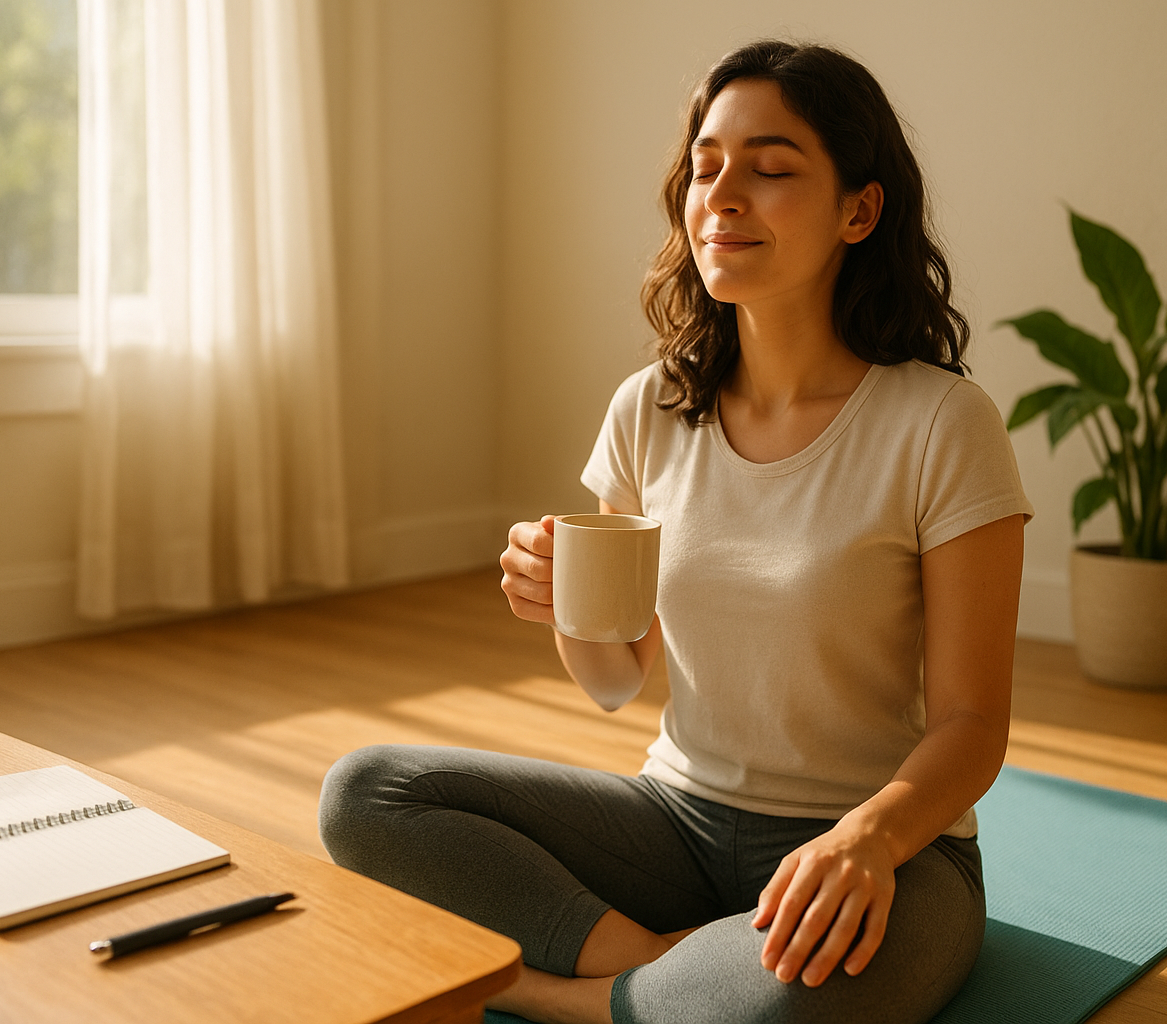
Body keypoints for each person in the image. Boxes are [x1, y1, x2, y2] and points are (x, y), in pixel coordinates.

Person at [319, 39, 1032, 1024]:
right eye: (704, 169)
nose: (723, 194)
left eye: (772, 169)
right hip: (678, 823)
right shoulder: (651, 407)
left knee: (787, 1008)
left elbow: (972, 725)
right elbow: (617, 678)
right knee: (367, 792)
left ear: (859, 210)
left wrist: (863, 838)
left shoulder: (944, 424)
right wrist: (562, 601)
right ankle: (651, 969)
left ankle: (548, 991)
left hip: (885, 849)